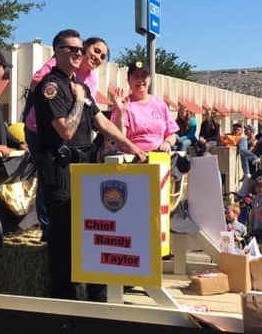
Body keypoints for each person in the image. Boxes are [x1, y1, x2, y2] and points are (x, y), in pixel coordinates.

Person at [32, 29, 147, 302]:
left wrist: (131, 147)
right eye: (70, 49)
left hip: (83, 170)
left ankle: (96, 293)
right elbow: (66, 131)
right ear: (56, 51)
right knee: (62, 238)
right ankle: (64, 299)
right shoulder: (51, 86)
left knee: (89, 231)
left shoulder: (80, 87)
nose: (76, 54)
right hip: (60, 172)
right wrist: (79, 103)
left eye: (79, 50)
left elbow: (101, 122)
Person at [23, 36, 108, 238]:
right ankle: (47, 226)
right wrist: (65, 96)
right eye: (95, 51)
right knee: (49, 179)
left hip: (71, 134)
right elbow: (37, 82)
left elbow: (91, 109)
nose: (98, 57)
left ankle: (68, 229)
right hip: (40, 127)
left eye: (103, 56)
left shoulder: (89, 78)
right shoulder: (62, 65)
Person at [108, 61, 179, 153]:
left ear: (150, 79)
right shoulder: (123, 104)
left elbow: (171, 134)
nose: (140, 80)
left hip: (159, 157)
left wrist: (167, 143)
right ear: (129, 80)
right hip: (133, 159)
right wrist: (120, 114)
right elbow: (120, 139)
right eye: (136, 76)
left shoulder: (160, 104)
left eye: (144, 76)